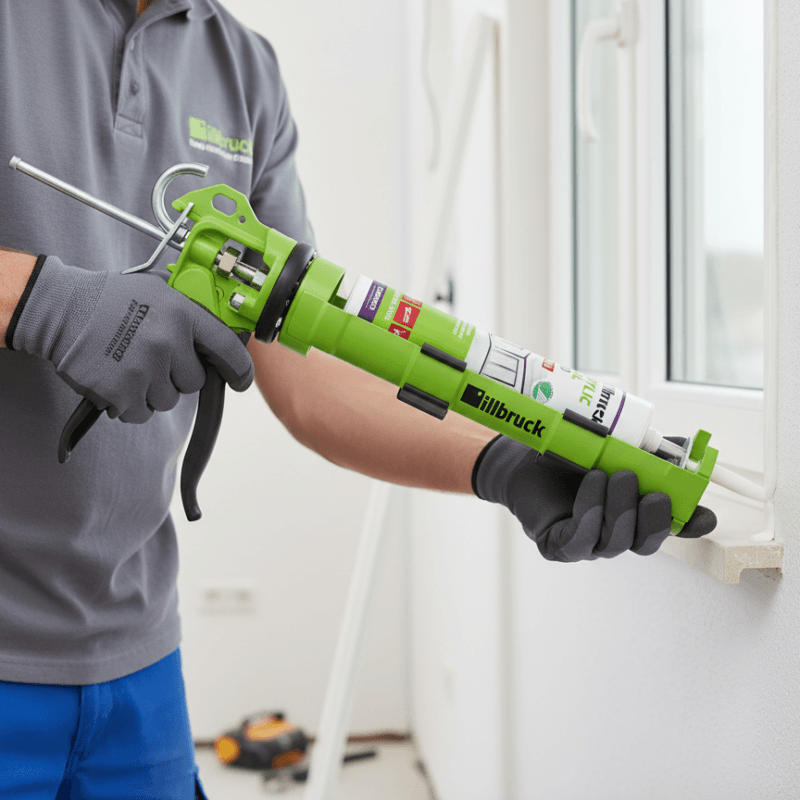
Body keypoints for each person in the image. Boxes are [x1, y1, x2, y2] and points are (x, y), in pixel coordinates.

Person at [0, 1, 716, 797]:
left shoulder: (241, 68)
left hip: (137, 656)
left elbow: (309, 374)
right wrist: (42, 299)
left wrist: (503, 460)